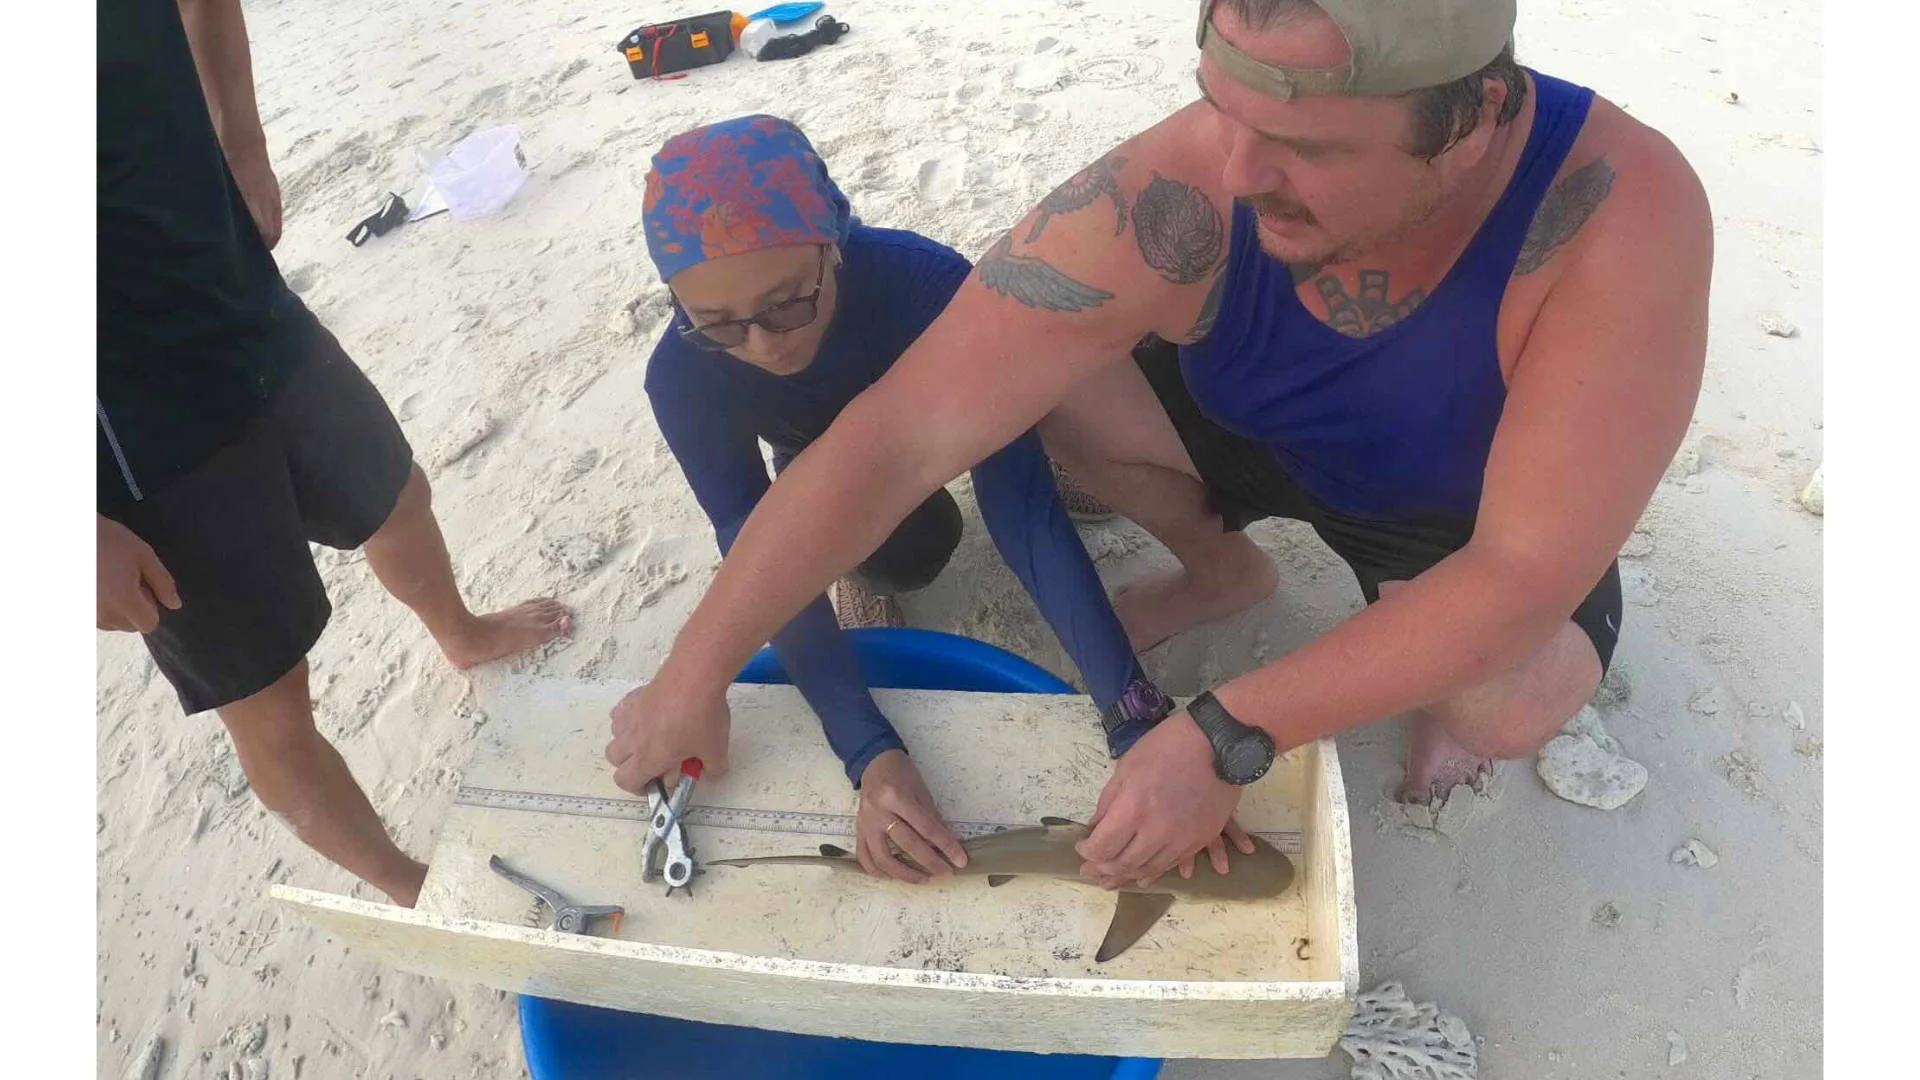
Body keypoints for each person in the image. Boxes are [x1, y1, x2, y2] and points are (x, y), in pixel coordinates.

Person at [603, 0, 1713, 888]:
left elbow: (1523, 572)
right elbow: (897, 436)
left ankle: (1419, 656)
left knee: (1505, 701)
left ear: (1472, 118)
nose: (1235, 174)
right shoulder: (1185, 183)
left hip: (1441, 508)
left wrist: (1230, 729)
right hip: (1247, 425)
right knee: (1025, 367)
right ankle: (1223, 565)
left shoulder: (1620, 216)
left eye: (1300, 144)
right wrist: (694, 672)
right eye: (1220, 111)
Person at [605, 117, 1215, 883]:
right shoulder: (682, 377)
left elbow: (1021, 511)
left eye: (788, 304)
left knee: (1031, 456)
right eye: (719, 326)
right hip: (824, 465)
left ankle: (1030, 450)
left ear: (833, 240)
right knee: (915, 550)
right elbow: (751, 540)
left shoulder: (923, 282)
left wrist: (1132, 714)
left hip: (953, 415)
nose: (764, 345)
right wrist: (869, 752)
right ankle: (860, 556)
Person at [97, 0, 572, 907]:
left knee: (395, 494)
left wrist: (244, 137)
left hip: (236, 296)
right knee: (268, 696)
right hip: (125, 426)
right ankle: (410, 885)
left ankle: (461, 635)